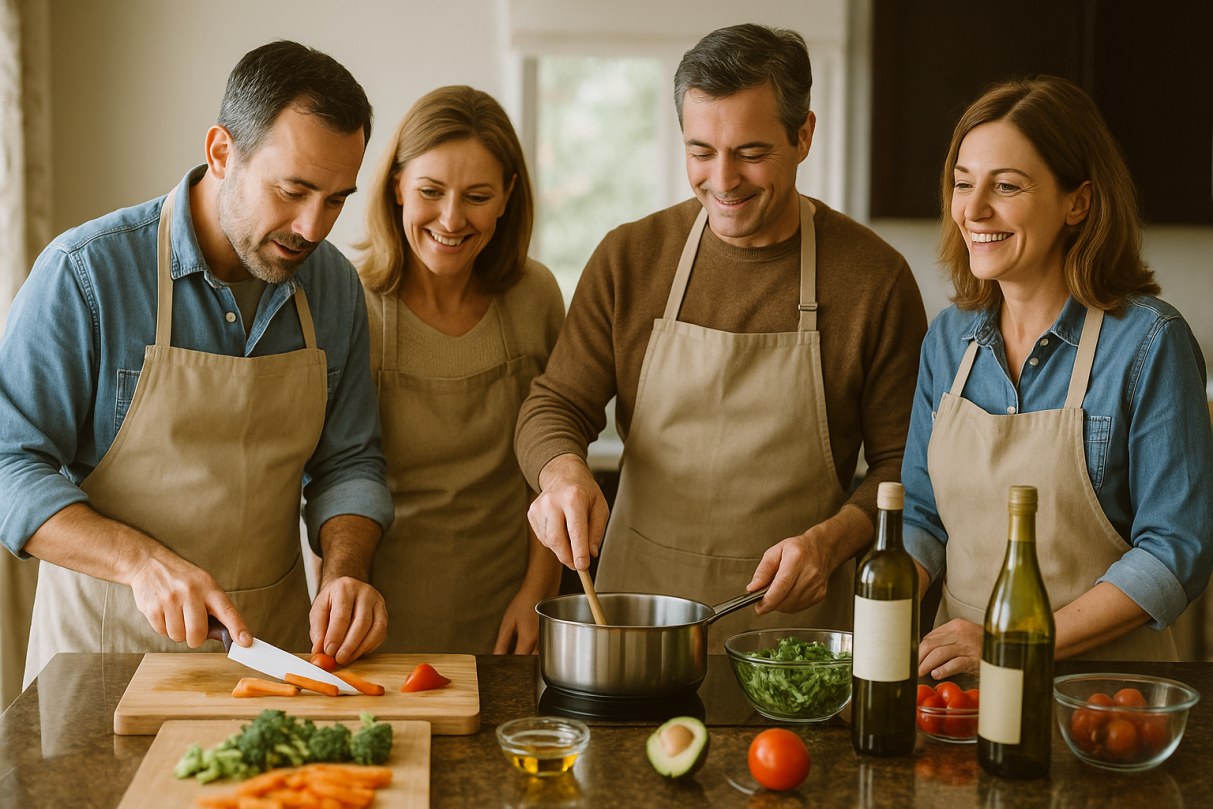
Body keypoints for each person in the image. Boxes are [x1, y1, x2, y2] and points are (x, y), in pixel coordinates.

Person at [0, 41, 394, 687]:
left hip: (272, 656)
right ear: (220, 153)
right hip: (103, 661)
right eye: (293, 190)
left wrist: (346, 570)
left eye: (335, 199)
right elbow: (8, 460)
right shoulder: (86, 273)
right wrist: (139, 562)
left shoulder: (332, 288)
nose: (313, 226)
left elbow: (348, 461)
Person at [516, 23, 927, 642]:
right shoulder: (631, 258)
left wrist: (829, 542)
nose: (724, 180)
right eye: (701, 151)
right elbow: (554, 404)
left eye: (751, 153)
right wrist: (563, 474)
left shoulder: (874, 279)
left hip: (791, 637)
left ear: (804, 135)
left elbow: (904, 468)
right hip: (637, 620)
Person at [903, 75, 1213, 678]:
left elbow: (1175, 553)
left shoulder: (1149, 341)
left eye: (1007, 186)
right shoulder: (949, 338)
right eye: (962, 184)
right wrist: (884, 598)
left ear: (1079, 202)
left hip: (1104, 699)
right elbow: (921, 516)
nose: (973, 210)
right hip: (960, 690)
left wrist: (1007, 642)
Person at [358, 86, 564, 654]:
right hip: (379, 614)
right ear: (397, 184)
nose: (451, 219)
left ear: (507, 197)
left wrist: (537, 594)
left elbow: (547, 464)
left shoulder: (535, 295)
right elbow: (333, 474)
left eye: (477, 195)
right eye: (430, 191)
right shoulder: (353, 303)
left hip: (510, 611)